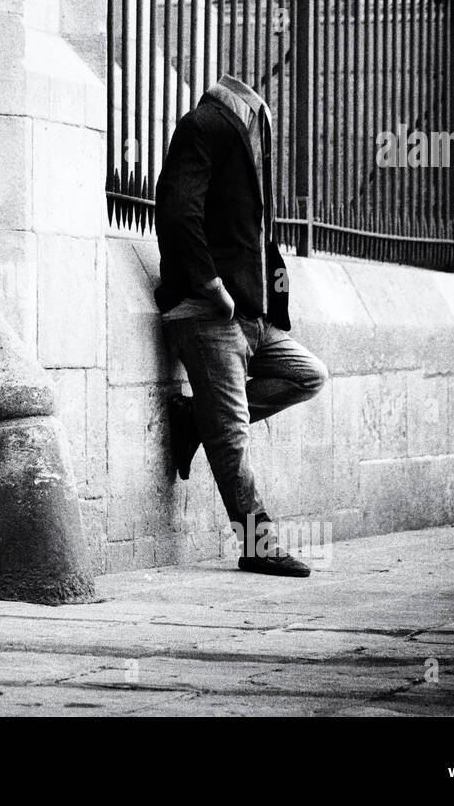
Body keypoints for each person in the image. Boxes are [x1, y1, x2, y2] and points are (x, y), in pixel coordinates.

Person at [155, 73, 329, 578]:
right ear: (248, 111)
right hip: (208, 313)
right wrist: (210, 286)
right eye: (262, 116)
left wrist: (264, 306)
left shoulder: (242, 135)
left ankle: (194, 420)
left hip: (252, 316)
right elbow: (176, 208)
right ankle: (257, 544)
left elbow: (254, 233)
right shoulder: (204, 125)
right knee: (231, 435)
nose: (265, 124)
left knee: (309, 375)